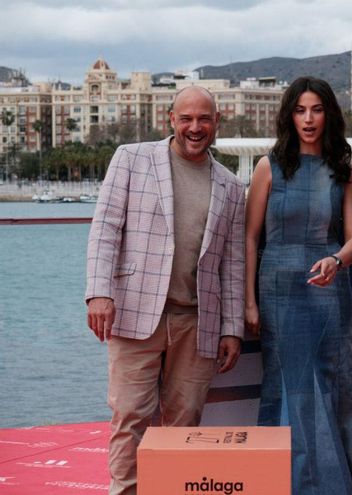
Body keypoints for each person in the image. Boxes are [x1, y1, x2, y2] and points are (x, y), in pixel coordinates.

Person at [85, 86, 245, 495]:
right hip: (133, 312)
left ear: (217, 123)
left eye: (204, 119)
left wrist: (231, 328)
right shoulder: (131, 158)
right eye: (187, 118)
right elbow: (105, 230)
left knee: (185, 426)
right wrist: (99, 293)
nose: (195, 127)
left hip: (197, 323)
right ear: (170, 119)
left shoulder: (230, 185)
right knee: (129, 419)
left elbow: (232, 263)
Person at [244, 76, 352, 495]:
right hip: (277, 289)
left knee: (335, 385)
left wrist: (336, 259)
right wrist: (249, 302)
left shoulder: (345, 172)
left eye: (316, 109)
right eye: (300, 110)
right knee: (285, 384)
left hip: (329, 290)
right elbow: (250, 237)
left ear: (329, 114)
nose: (309, 118)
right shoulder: (268, 166)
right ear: (289, 115)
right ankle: (285, 485)